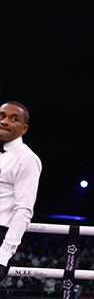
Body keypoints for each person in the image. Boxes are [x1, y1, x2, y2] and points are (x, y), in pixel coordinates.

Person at [0, 101, 43, 282]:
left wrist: (3, 257)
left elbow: (24, 210)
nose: (4, 121)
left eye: (13, 118)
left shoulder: (27, 159)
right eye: (2, 116)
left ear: (24, 129)